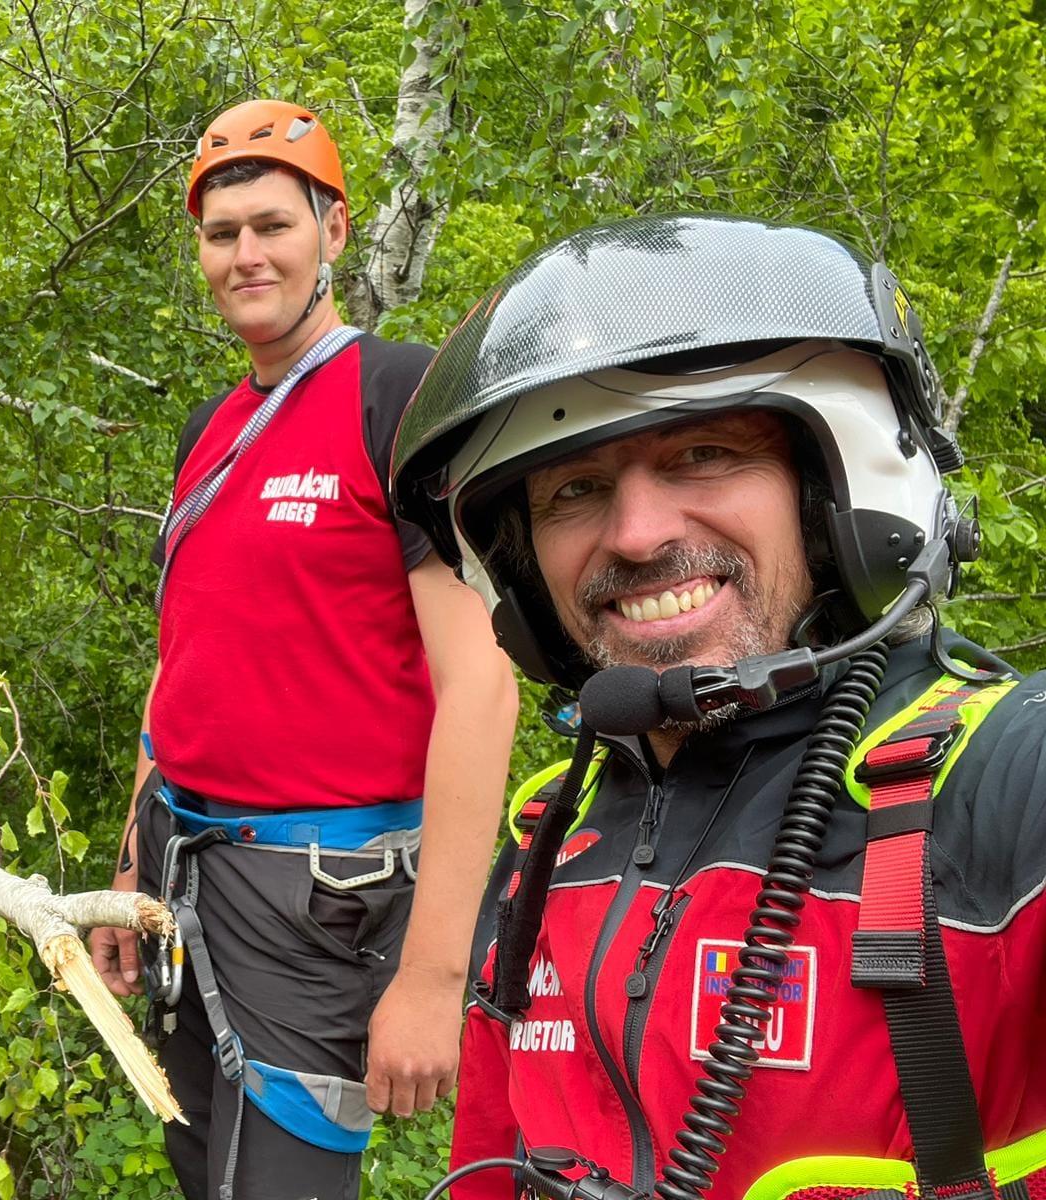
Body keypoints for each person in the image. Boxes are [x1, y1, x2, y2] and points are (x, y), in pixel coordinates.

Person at [388, 214, 1046, 1200]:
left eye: (703, 454)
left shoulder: (995, 786)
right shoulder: (546, 843)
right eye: (574, 488)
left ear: (835, 500)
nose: (638, 532)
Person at [87, 99, 518, 1200]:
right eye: (221, 233)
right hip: (186, 862)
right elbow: (182, 660)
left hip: (322, 893)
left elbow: (479, 685)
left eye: (271, 225)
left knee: (279, 1178)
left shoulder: (398, 396)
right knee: (201, 1159)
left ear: (331, 227)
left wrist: (430, 975)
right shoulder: (208, 429)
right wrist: (132, 869)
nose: (245, 254)